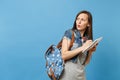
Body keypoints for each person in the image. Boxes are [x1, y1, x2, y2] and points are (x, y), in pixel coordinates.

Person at [59, 10, 97, 80]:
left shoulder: (87, 39)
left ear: (88, 24)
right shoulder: (70, 33)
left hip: (81, 76)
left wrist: (90, 51)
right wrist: (82, 47)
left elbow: (85, 62)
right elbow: (63, 55)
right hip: (66, 76)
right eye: (77, 19)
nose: (79, 22)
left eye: (82, 20)